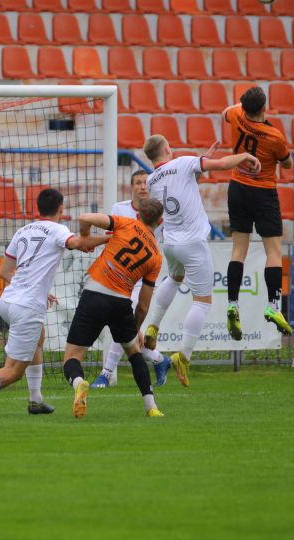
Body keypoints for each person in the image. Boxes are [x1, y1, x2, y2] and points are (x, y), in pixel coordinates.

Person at [0, 188, 108, 418]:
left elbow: (4, 272)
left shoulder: (23, 231)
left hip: (8, 300)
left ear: (38, 208)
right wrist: (111, 238)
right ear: (61, 209)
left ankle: (36, 400)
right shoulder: (58, 229)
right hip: (27, 307)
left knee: (38, 338)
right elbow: (78, 242)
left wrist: (34, 290)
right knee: (13, 371)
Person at [139, 135, 260, 387]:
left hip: (170, 243)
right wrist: (245, 156)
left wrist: (200, 162)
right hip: (192, 242)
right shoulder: (183, 162)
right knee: (202, 302)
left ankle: (153, 326)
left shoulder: (152, 179)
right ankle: (183, 356)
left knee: (174, 278)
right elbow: (222, 165)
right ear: (167, 148)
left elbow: (182, 185)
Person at [62, 198, 168, 418]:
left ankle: (80, 383)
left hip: (95, 293)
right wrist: (135, 329)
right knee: (134, 353)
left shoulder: (126, 223)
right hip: (121, 303)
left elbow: (84, 217)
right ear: (160, 221)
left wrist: (85, 237)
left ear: (138, 215)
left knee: (72, 356)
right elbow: (143, 305)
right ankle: (151, 406)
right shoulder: (156, 257)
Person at [221, 87, 293, 341]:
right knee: (273, 251)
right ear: (264, 108)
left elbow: (225, 112)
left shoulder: (236, 116)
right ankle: (273, 306)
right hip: (263, 193)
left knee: (238, 250)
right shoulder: (274, 135)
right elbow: (287, 163)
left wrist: (239, 108)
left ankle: (232, 303)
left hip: (237, 188)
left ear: (244, 106)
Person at [93, 170, 173, 389]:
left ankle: (106, 374)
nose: (142, 186)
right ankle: (159, 359)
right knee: (123, 325)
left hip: (142, 278)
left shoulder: (159, 213)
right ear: (132, 187)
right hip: (120, 276)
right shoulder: (120, 209)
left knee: (122, 323)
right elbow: (112, 239)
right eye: (138, 182)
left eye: (146, 182)